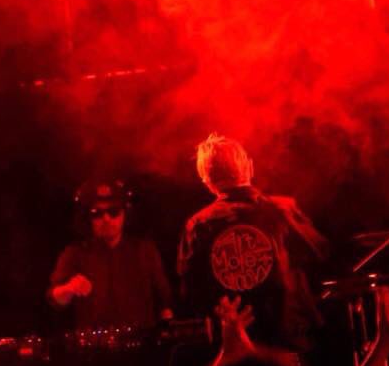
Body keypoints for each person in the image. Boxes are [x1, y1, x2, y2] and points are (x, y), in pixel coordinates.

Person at [178, 134, 325, 352]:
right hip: (288, 344)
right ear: (249, 166)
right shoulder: (282, 211)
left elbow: (191, 292)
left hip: (231, 349)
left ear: (206, 180)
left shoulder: (198, 225)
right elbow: (321, 256)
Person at [49, 179, 173, 329]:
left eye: (114, 212)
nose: (106, 219)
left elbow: (164, 300)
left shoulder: (145, 250)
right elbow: (54, 300)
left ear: (125, 214)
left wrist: (166, 324)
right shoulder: (74, 253)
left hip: (142, 340)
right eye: (97, 213)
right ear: (88, 218)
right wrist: (69, 288)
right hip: (93, 343)